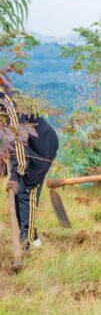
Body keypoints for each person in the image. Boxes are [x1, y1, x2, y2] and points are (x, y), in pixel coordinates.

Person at [2, 88, 59, 251]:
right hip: (23, 148)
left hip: (41, 146)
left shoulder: (8, 104)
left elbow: (17, 140)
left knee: (26, 189)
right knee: (18, 191)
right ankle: (31, 237)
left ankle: (28, 243)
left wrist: (14, 174)